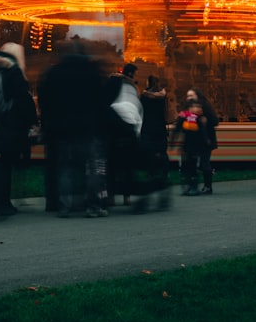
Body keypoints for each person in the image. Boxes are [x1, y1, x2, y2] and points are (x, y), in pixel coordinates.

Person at [38, 42, 108, 218]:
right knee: (92, 167)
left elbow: (45, 101)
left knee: (65, 167)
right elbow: (101, 101)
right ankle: (93, 205)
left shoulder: (54, 73)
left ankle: (64, 205)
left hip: (62, 127)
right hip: (88, 126)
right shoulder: (92, 72)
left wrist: (49, 123)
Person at [0, 42, 39, 217]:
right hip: (12, 125)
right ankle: (3, 202)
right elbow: (23, 100)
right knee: (6, 164)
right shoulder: (14, 72)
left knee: (0, 163)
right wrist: (32, 120)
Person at [104, 63, 143, 207]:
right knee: (127, 168)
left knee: (111, 168)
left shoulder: (112, 94)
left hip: (113, 138)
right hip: (129, 135)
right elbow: (138, 113)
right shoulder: (131, 90)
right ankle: (127, 197)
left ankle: (111, 196)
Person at [172, 88, 219, 195]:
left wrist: (204, 121)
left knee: (204, 163)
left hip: (205, 140)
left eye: (191, 96)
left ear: (197, 96)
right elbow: (181, 125)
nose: (189, 98)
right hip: (193, 142)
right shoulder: (187, 111)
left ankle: (207, 186)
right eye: (188, 96)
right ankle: (191, 186)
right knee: (190, 164)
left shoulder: (205, 108)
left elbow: (214, 121)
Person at [136, 75, 173, 212]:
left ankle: (150, 177)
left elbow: (139, 112)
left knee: (149, 158)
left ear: (147, 82)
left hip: (147, 130)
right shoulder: (163, 96)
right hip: (160, 131)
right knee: (162, 155)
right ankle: (163, 181)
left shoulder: (144, 97)